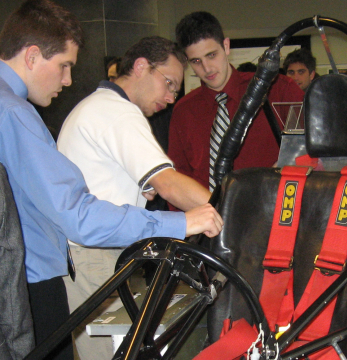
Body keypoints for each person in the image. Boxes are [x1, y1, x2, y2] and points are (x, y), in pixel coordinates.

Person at [0, 1, 222, 360]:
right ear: (32, 56)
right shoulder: (20, 113)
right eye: (64, 66)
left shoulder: (87, 107)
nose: (68, 80)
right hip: (52, 271)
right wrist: (195, 218)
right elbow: (82, 213)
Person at [57, 36, 213, 359]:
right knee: (110, 352)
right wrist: (225, 209)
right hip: (97, 253)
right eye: (168, 84)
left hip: (94, 253)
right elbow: (168, 184)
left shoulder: (97, 106)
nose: (171, 98)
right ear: (141, 66)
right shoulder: (117, 112)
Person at [169, 11, 304, 190]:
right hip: (208, 213)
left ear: (226, 46)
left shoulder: (278, 89)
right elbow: (178, 178)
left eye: (211, 55)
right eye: (196, 61)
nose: (207, 68)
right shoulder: (184, 111)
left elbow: (309, 150)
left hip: (271, 209)